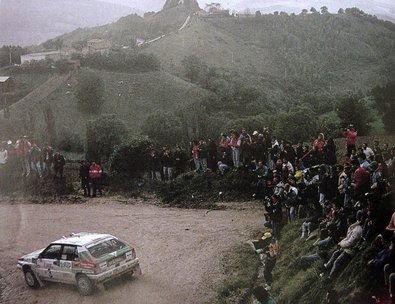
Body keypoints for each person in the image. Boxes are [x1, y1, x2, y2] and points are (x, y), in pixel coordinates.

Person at [321, 215, 362, 280]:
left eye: (348, 221)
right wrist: (340, 243)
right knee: (335, 254)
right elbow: (347, 238)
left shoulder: (357, 230)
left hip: (351, 250)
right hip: (346, 248)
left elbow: (351, 243)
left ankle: (330, 277)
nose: (347, 222)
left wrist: (341, 244)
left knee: (337, 261)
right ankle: (326, 268)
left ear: (350, 222)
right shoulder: (351, 227)